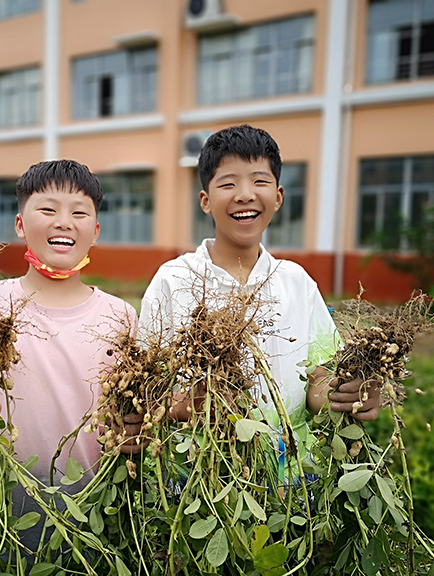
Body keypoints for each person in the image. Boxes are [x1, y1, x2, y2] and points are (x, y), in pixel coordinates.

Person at [0, 159, 136, 549]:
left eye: (79, 212)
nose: (64, 222)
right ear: (20, 224)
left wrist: (136, 429)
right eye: (47, 209)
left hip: (97, 513)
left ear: (95, 231)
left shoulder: (121, 315)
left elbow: (138, 408)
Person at [131, 124, 379, 455]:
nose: (245, 194)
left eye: (259, 181)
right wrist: (188, 404)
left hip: (289, 476)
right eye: (228, 183)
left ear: (278, 197)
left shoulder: (296, 282)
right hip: (197, 476)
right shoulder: (173, 280)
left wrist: (349, 395)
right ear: (205, 201)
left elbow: (318, 377)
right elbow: (146, 387)